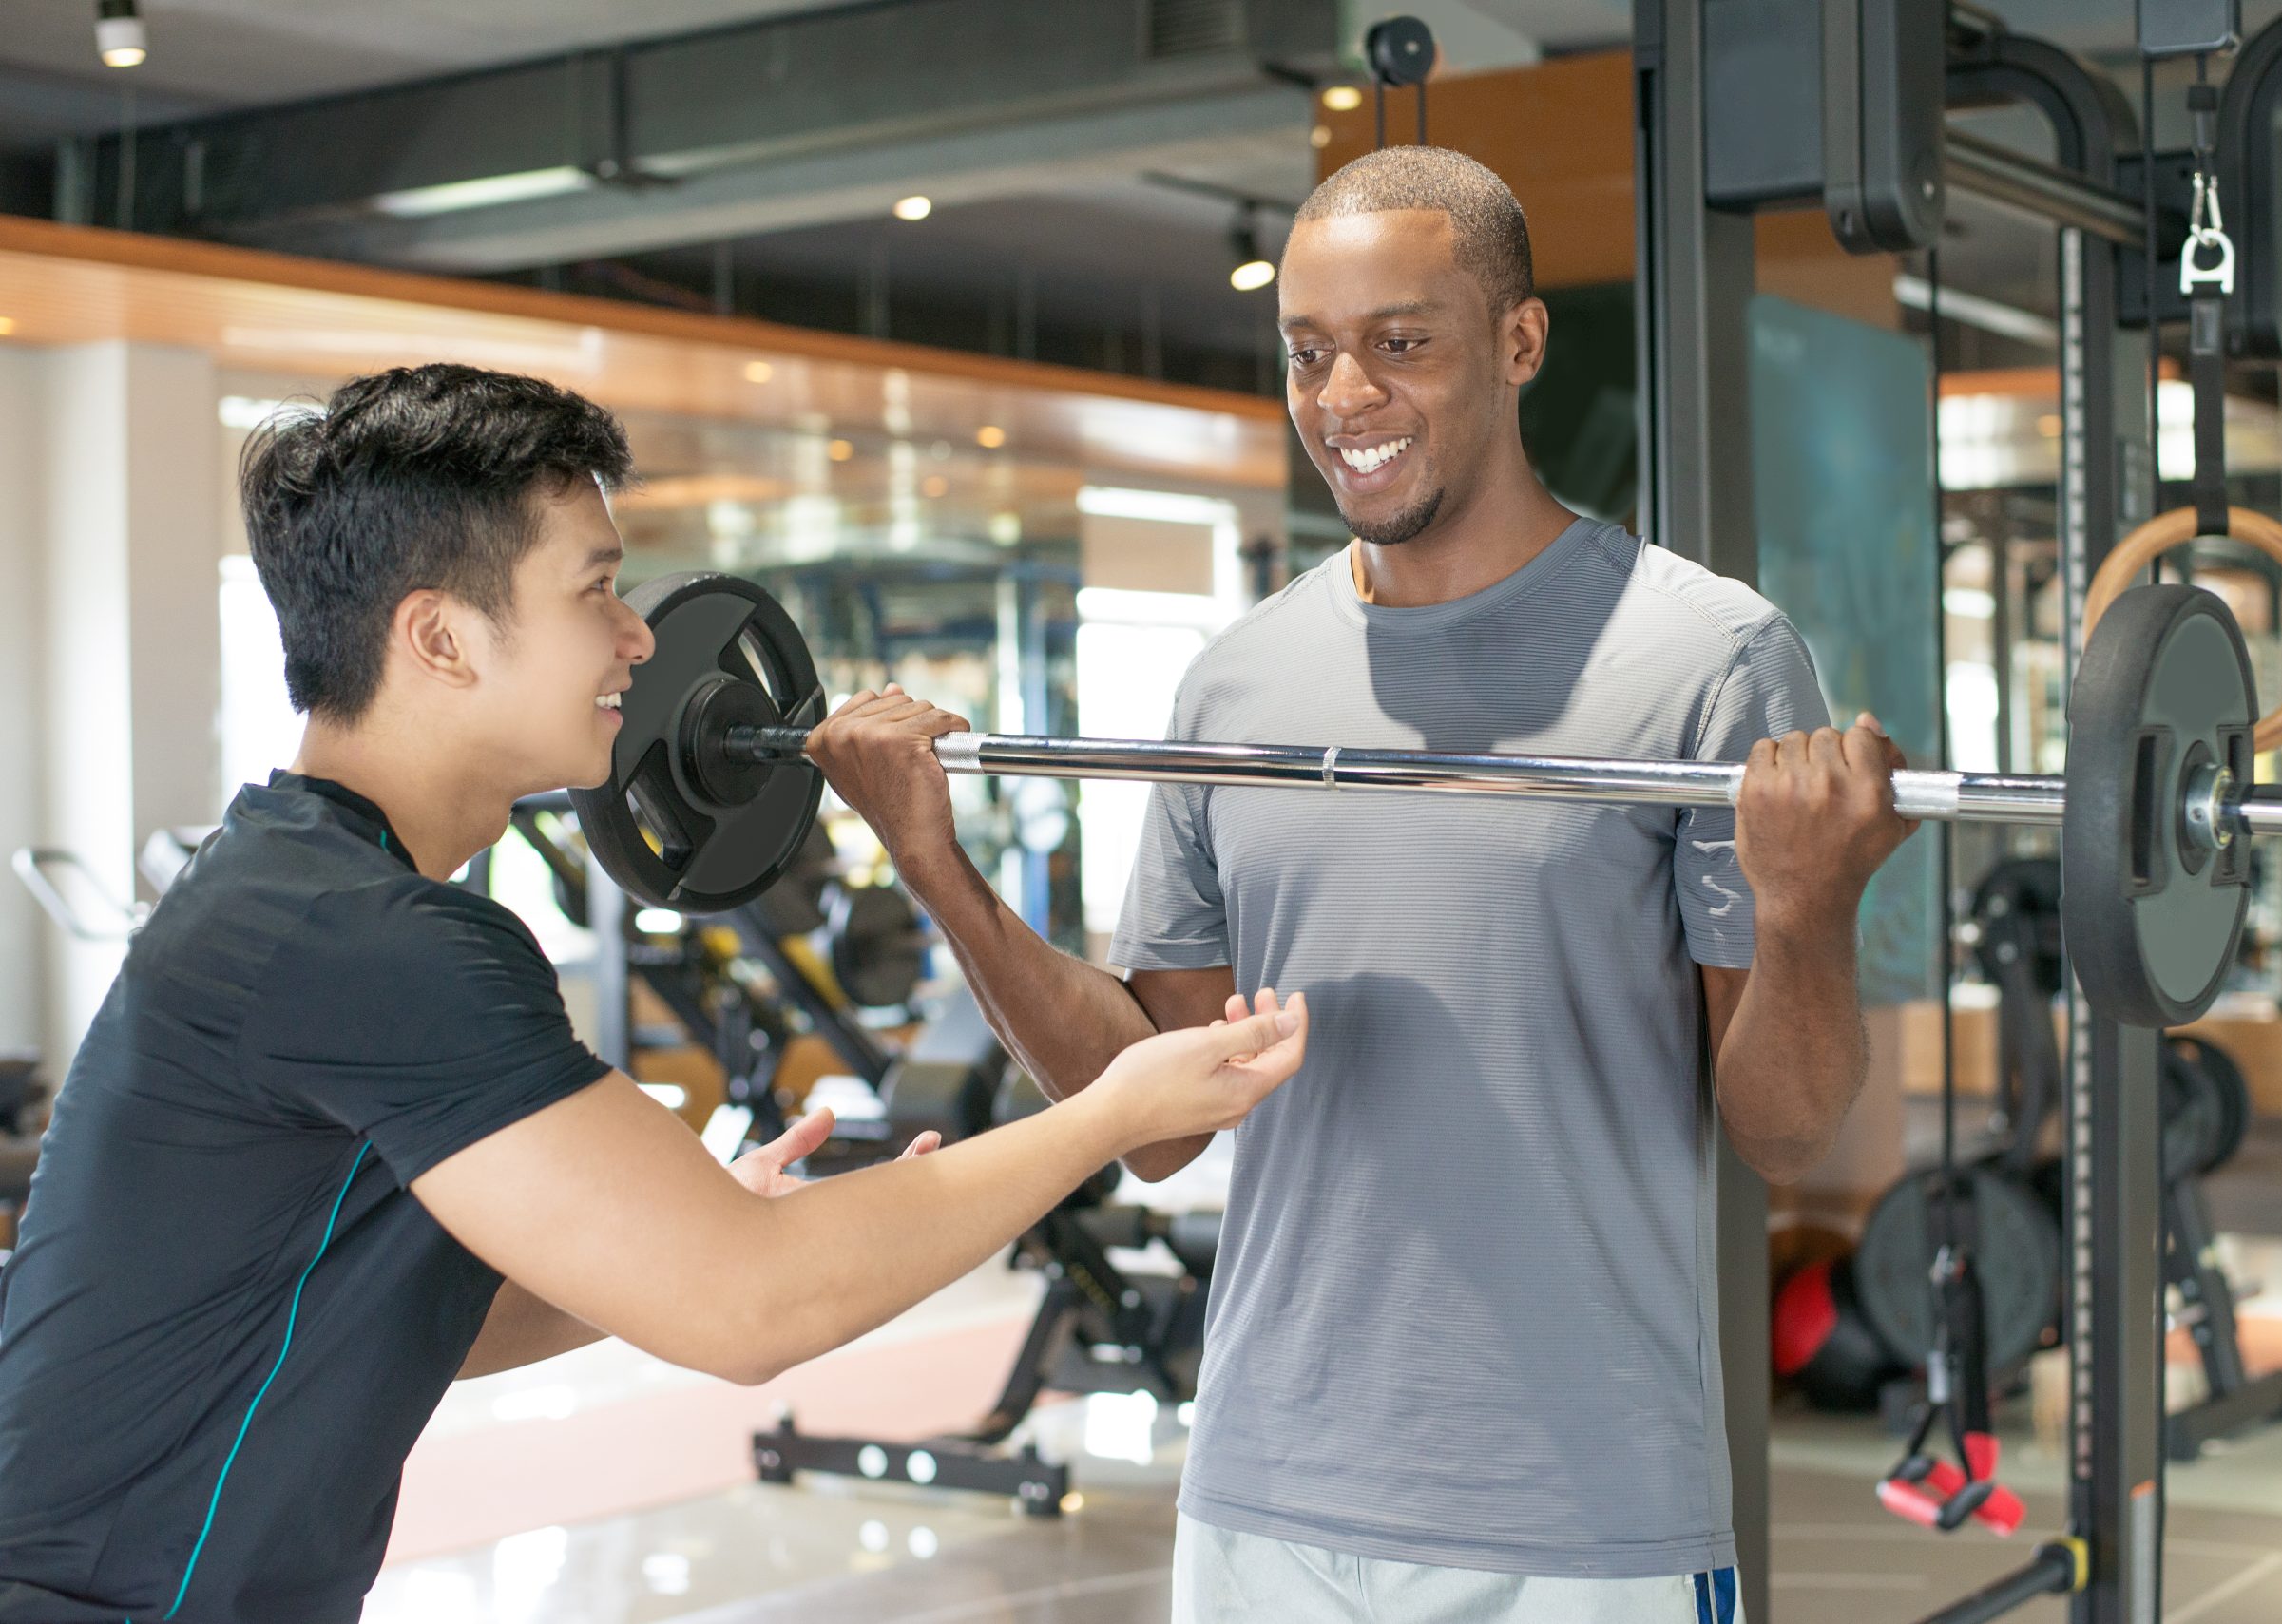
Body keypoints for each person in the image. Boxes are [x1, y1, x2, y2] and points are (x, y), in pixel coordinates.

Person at [0, 364, 1311, 1624]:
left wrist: (649, 1244)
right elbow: (755, 1309)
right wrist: (1112, 1108)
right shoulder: (374, 940)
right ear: (441, 637)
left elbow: (362, 1324)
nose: (640, 638)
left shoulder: (295, 883)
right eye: (600, 591)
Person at [808, 146, 1917, 1623]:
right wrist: (934, 867)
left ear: (1519, 343)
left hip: (1585, 1513)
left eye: (1403, 343)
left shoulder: (1706, 655)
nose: (1346, 399)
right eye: (1310, 353)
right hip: (1269, 1489)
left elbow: (1784, 1126)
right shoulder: (1235, 682)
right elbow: (1145, 1116)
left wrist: (1806, 907)